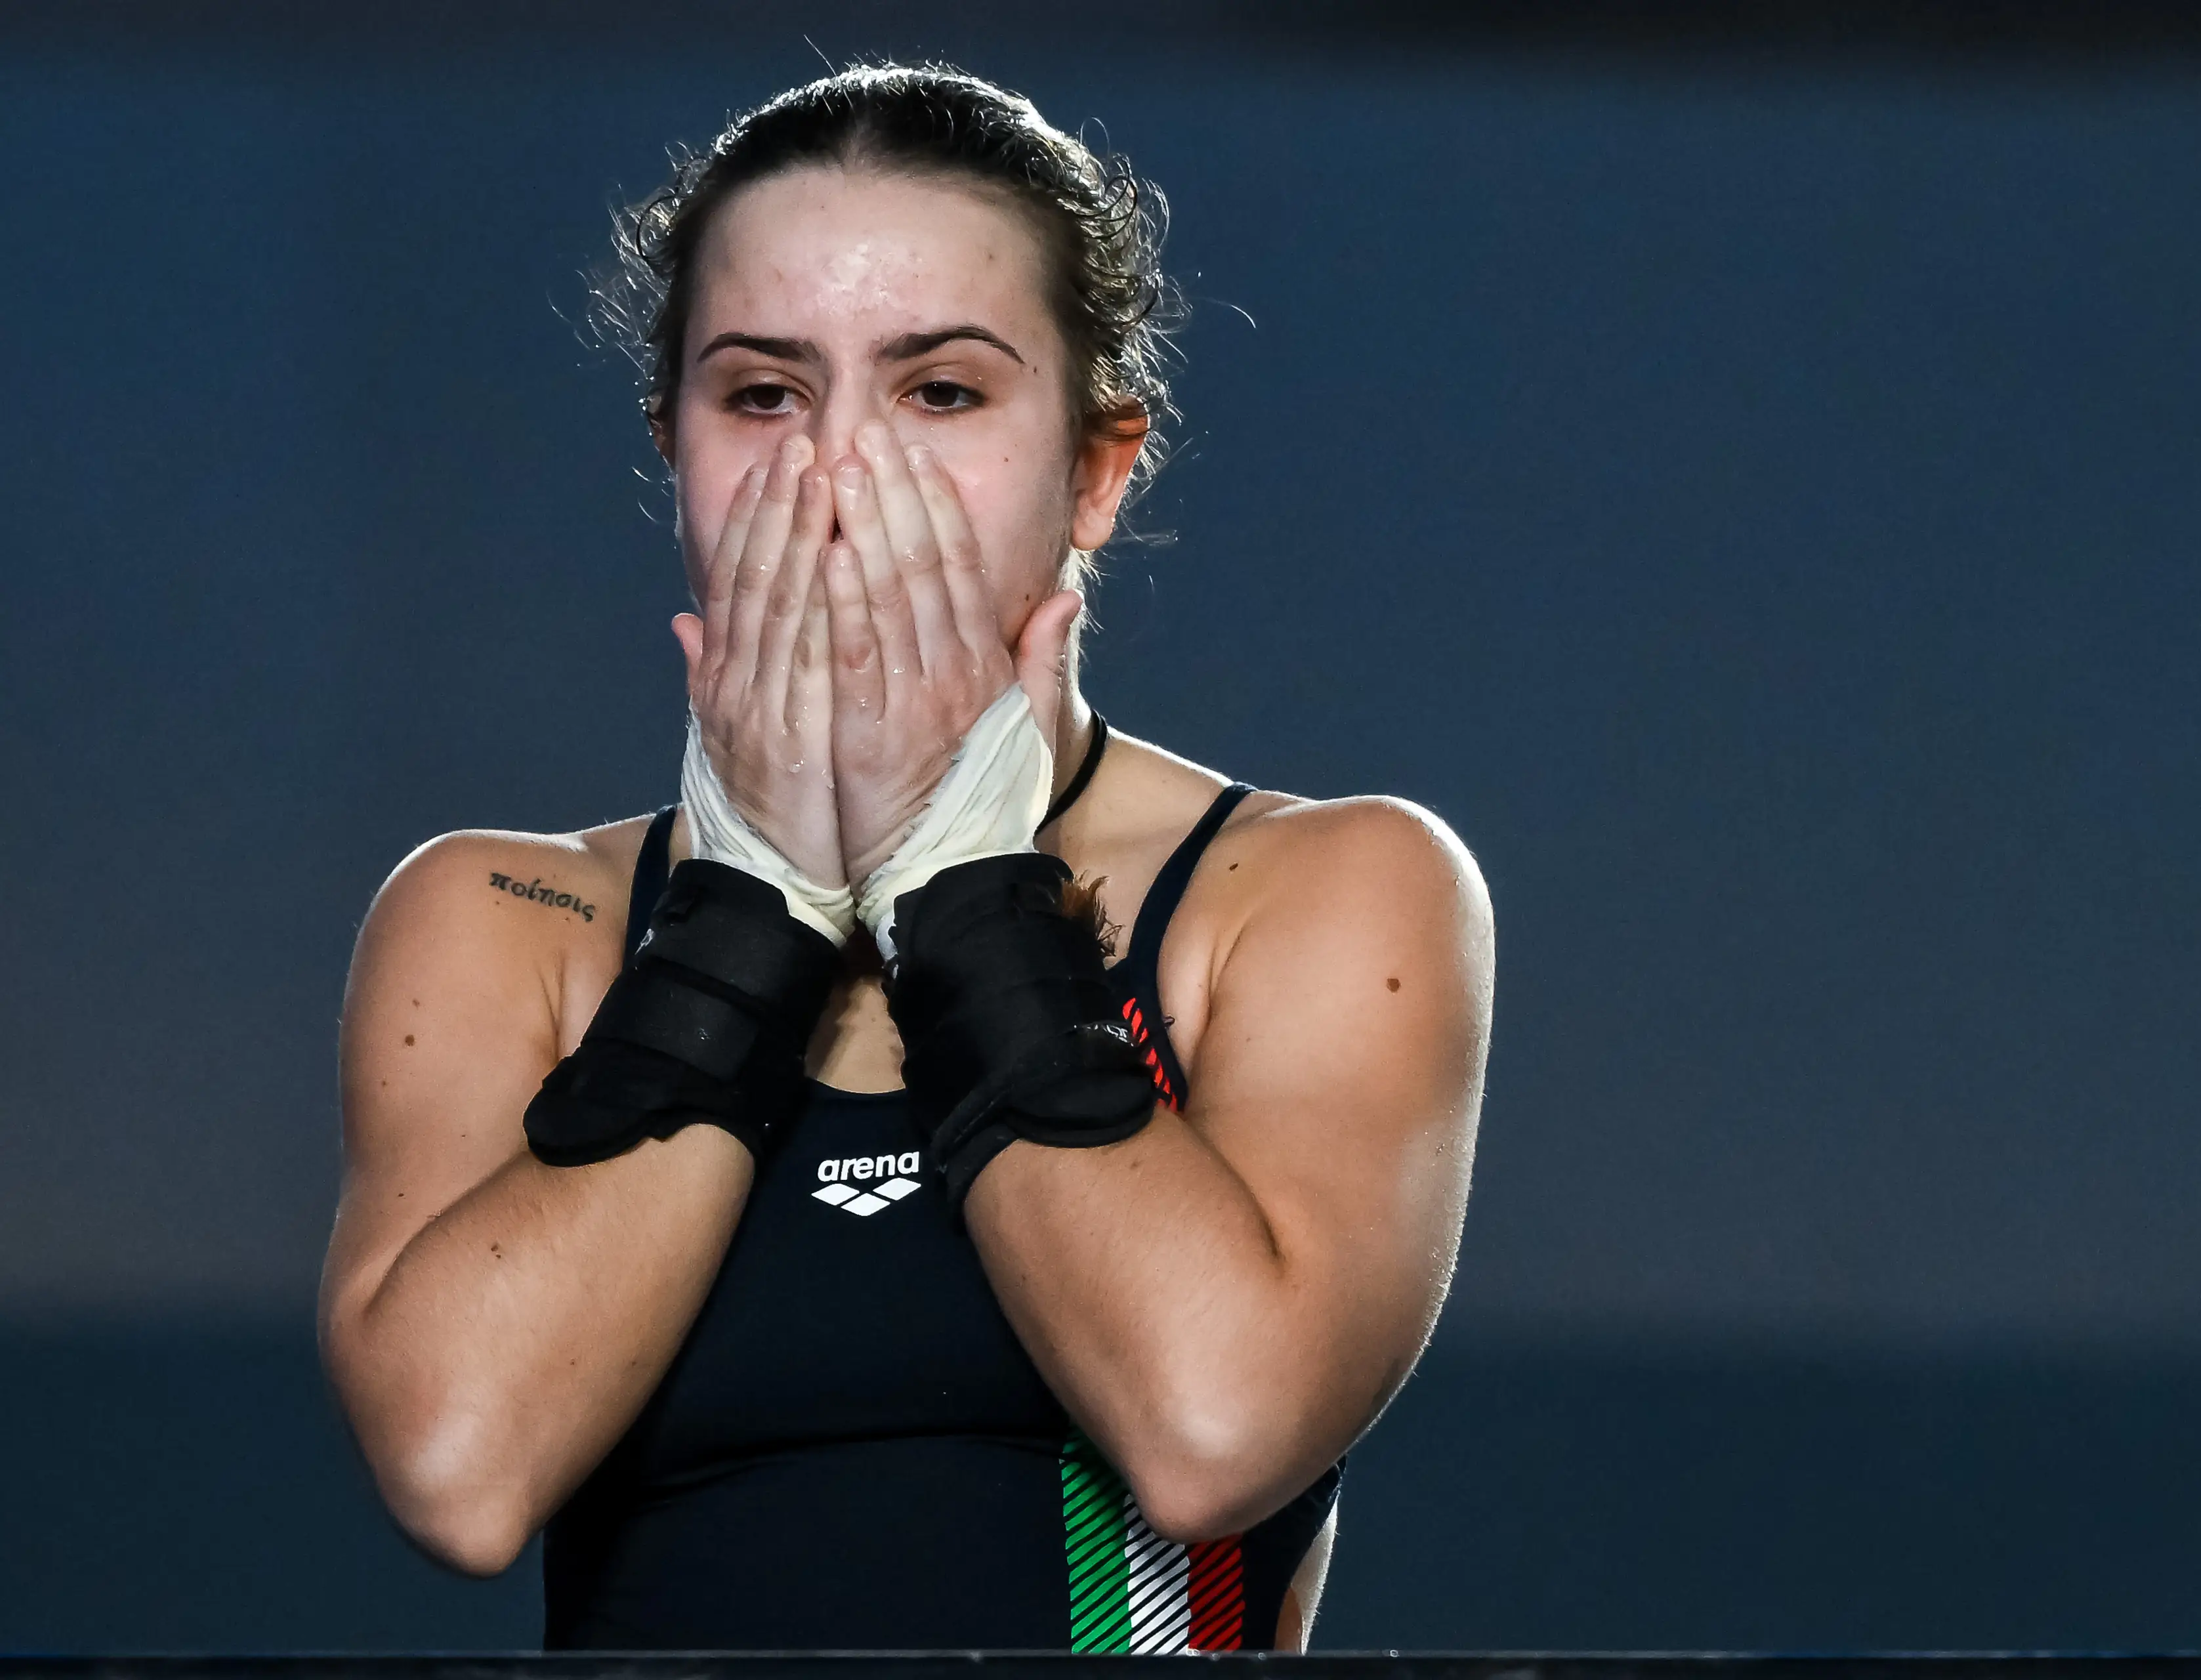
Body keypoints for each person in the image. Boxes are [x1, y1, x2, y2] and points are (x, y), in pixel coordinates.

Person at [318, 62, 1494, 1653]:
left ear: (1097, 466)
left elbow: (1212, 1428)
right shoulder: (511, 919)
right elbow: (460, 1470)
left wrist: (956, 879)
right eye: (761, 395)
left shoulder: (1316, 891)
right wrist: (752, 913)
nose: (841, 477)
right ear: (673, 443)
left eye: (940, 391)